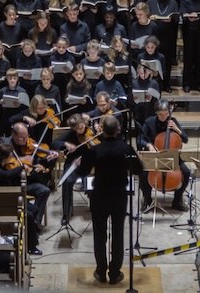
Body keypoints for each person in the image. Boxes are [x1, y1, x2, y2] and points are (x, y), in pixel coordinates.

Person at [77, 115, 143, 285]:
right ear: (118, 129)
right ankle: (114, 273)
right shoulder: (126, 149)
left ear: (102, 130)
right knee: (118, 233)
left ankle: (101, 271)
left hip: (99, 195)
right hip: (119, 195)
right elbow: (138, 170)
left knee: (99, 235)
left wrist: (81, 164)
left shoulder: (95, 150)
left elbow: (83, 172)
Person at [138, 99, 190, 211]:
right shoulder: (149, 122)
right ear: (156, 113)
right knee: (142, 173)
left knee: (186, 172)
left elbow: (185, 139)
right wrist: (149, 145)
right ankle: (147, 200)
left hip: (172, 157)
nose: (163, 116)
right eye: (160, 114)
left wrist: (177, 130)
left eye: (166, 114)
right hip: (155, 156)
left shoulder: (173, 121)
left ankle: (177, 201)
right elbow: (140, 139)